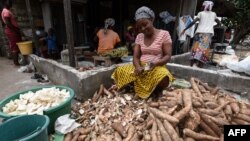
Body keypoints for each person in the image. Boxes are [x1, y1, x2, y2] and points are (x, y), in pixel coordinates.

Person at [111, 6, 174, 99]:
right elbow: (136, 57)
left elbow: (167, 56)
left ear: (152, 20)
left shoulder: (164, 34)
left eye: (145, 24)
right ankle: (147, 87)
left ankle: (148, 87)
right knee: (119, 71)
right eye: (139, 27)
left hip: (156, 67)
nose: (143, 29)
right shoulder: (140, 36)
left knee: (164, 77)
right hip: (141, 68)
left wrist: (155, 63)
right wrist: (138, 67)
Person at [181, 0, 221, 68]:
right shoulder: (214, 14)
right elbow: (219, 23)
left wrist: (185, 29)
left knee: (195, 49)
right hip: (208, 35)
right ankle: (200, 67)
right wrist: (213, 26)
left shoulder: (201, 13)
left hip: (199, 33)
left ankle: (191, 66)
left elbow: (193, 22)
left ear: (204, 6)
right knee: (204, 51)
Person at [1, 0, 23, 66]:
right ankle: (16, 63)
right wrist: (16, 31)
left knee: (16, 45)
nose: (11, 4)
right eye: (9, 2)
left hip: (12, 31)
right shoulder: (6, 11)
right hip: (12, 31)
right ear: (5, 3)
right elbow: (8, 23)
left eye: (11, 2)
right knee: (15, 47)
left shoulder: (6, 11)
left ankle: (17, 61)